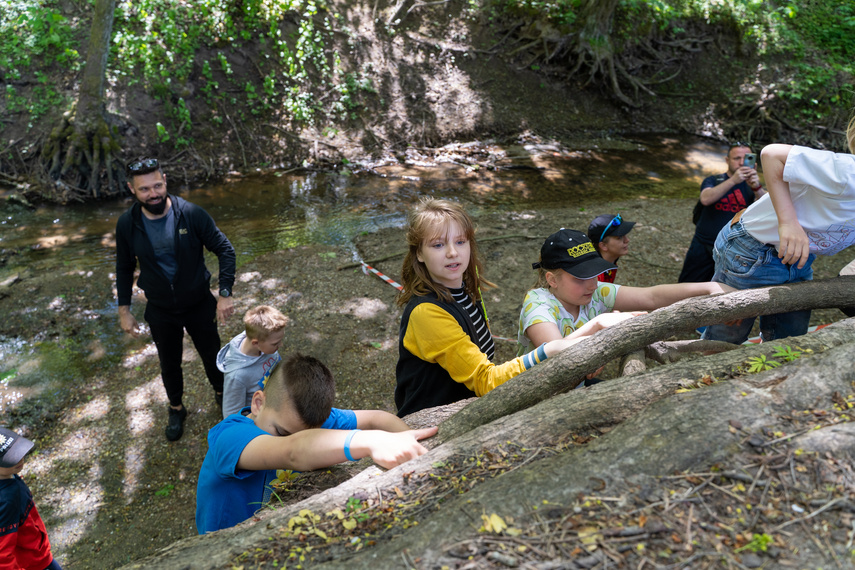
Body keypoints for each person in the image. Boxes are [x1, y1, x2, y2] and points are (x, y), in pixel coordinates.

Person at [196, 353, 435, 534]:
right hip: (223, 538)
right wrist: (370, 441)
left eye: (307, 433)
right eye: (282, 432)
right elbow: (294, 451)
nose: (294, 437)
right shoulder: (229, 437)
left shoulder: (306, 419)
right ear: (258, 403)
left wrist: (421, 452)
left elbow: (376, 418)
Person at [394, 198, 590, 417]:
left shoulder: (465, 289)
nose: (452, 253)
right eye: (438, 244)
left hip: (468, 407)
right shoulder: (427, 313)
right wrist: (548, 349)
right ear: (419, 253)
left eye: (460, 241)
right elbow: (486, 380)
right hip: (432, 425)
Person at [703, 117, 855, 344]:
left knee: (790, 338)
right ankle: (710, 373)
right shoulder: (847, 171)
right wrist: (788, 222)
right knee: (727, 335)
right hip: (751, 250)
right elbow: (772, 154)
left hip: (799, 257)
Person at [116, 157, 237, 441]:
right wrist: (124, 310)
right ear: (132, 189)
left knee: (212, 355)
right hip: (160, 308)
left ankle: (221, 395)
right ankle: (177, 408)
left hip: (198, 302)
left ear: (165, 180)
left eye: (157, 185)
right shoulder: (127, 224)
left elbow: (225, 250)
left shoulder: (191, 214)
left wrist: (225, 293)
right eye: (144, 189)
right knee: (169, 363)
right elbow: (124, 266)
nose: (153, 193)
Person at [519, 228, 732, 354]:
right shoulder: (537, 304)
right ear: (551, 280)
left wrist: (708, 287)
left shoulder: (595, 292)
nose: (592, 285)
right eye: (580, 277)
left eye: (593, 274)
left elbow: (651, 297)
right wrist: (599, 324)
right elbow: (553, 353)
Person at [679, 142, 766, 283]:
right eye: (736, 158)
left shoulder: (753, 186)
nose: (741, 162)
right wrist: (733, 180)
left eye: (746, 158)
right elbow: (705, 199)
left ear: (754, 163)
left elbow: (769, 210)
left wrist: (757, 188)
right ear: (727, 160)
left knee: (723, 289)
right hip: (704, 244)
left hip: (734, 249)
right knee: (688, 283)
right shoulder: (714, 180)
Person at [0, 427, 63, 570]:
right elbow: (2, 555)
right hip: (34, 563)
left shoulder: (9, 475)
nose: (20, 459)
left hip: (37, 552)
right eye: (11, 459)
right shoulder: (6, 500)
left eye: (19, 452)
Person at [217, 305, 288, 418]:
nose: (280, 345)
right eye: (275, 344)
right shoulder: (237, 376)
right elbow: (232, 415)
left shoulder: (264, 342)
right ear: (255, 343)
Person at [587, 213, 635, 283]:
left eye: (625, 235)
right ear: (603, 246)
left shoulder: (610, 261)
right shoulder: (593, 276)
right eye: (619, 237)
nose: (627, 240)